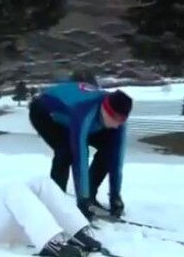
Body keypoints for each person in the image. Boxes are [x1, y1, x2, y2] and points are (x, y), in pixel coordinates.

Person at [29, 81, 133, 221]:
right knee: (66, 152)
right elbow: (80, 156)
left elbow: (117, 157)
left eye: (122, 121)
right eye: (116, 120)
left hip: (73, 118)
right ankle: (54, 202)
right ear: (106, 110)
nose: (118, 125)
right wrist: (82, 201)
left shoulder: (117, 119)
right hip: (44, 112)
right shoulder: (85, 110)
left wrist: (115, 196)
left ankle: (90, 194)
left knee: (109, 150)